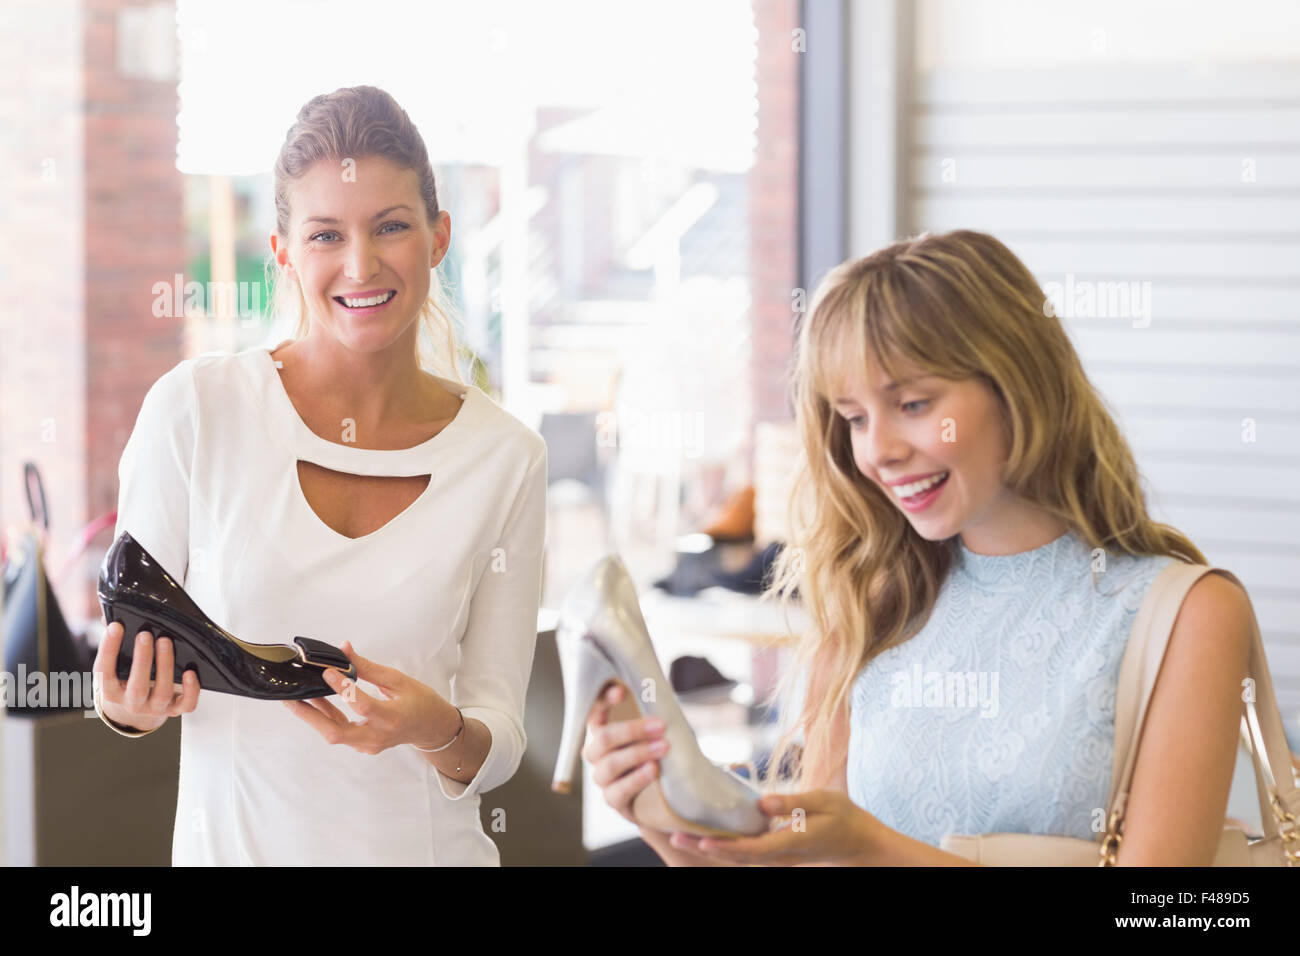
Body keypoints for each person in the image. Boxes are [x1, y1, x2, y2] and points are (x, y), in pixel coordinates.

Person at [582, 230, 1256, 866]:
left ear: (1019, 384)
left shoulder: (1186, 614)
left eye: (912, 404)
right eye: (853, 418)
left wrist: (872, 848)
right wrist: (666, 816)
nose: (877, 451)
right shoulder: (873, 604)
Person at [92, 86, 548, 866]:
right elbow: (130, 666)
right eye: (326, 234)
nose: (361, 264)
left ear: (438, 237)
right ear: (283, 253)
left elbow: (496, 743)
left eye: (391, 227)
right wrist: (124, 704)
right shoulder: (197, 412)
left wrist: (433, 727)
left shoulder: (504, 458)